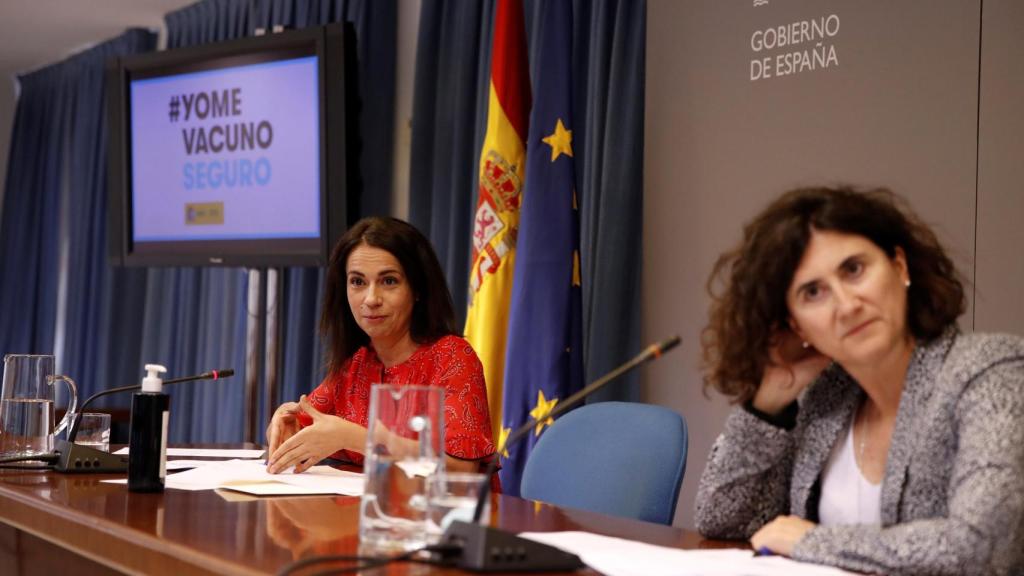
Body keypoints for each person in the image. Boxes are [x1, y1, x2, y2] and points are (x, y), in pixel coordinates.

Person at [695, 186, 1024, 575]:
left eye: (854, 270)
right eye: (813, 292)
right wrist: (769, 405)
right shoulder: (826, 399)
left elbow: (981, 547)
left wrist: (810, 541)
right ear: (796, 324)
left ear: (900, 267)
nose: (847, 305)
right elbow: (723, 521)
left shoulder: (989, 370)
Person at [266, 216, 495, 475]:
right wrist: (286, 422)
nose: (371, 299)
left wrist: (357, 438)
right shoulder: (356, 362)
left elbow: (461, 468)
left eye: (388, 281)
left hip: (438, 512)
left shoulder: (452, 358)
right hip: (366, 509)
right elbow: (308, 425)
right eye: (358, 282)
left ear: (417, 288)